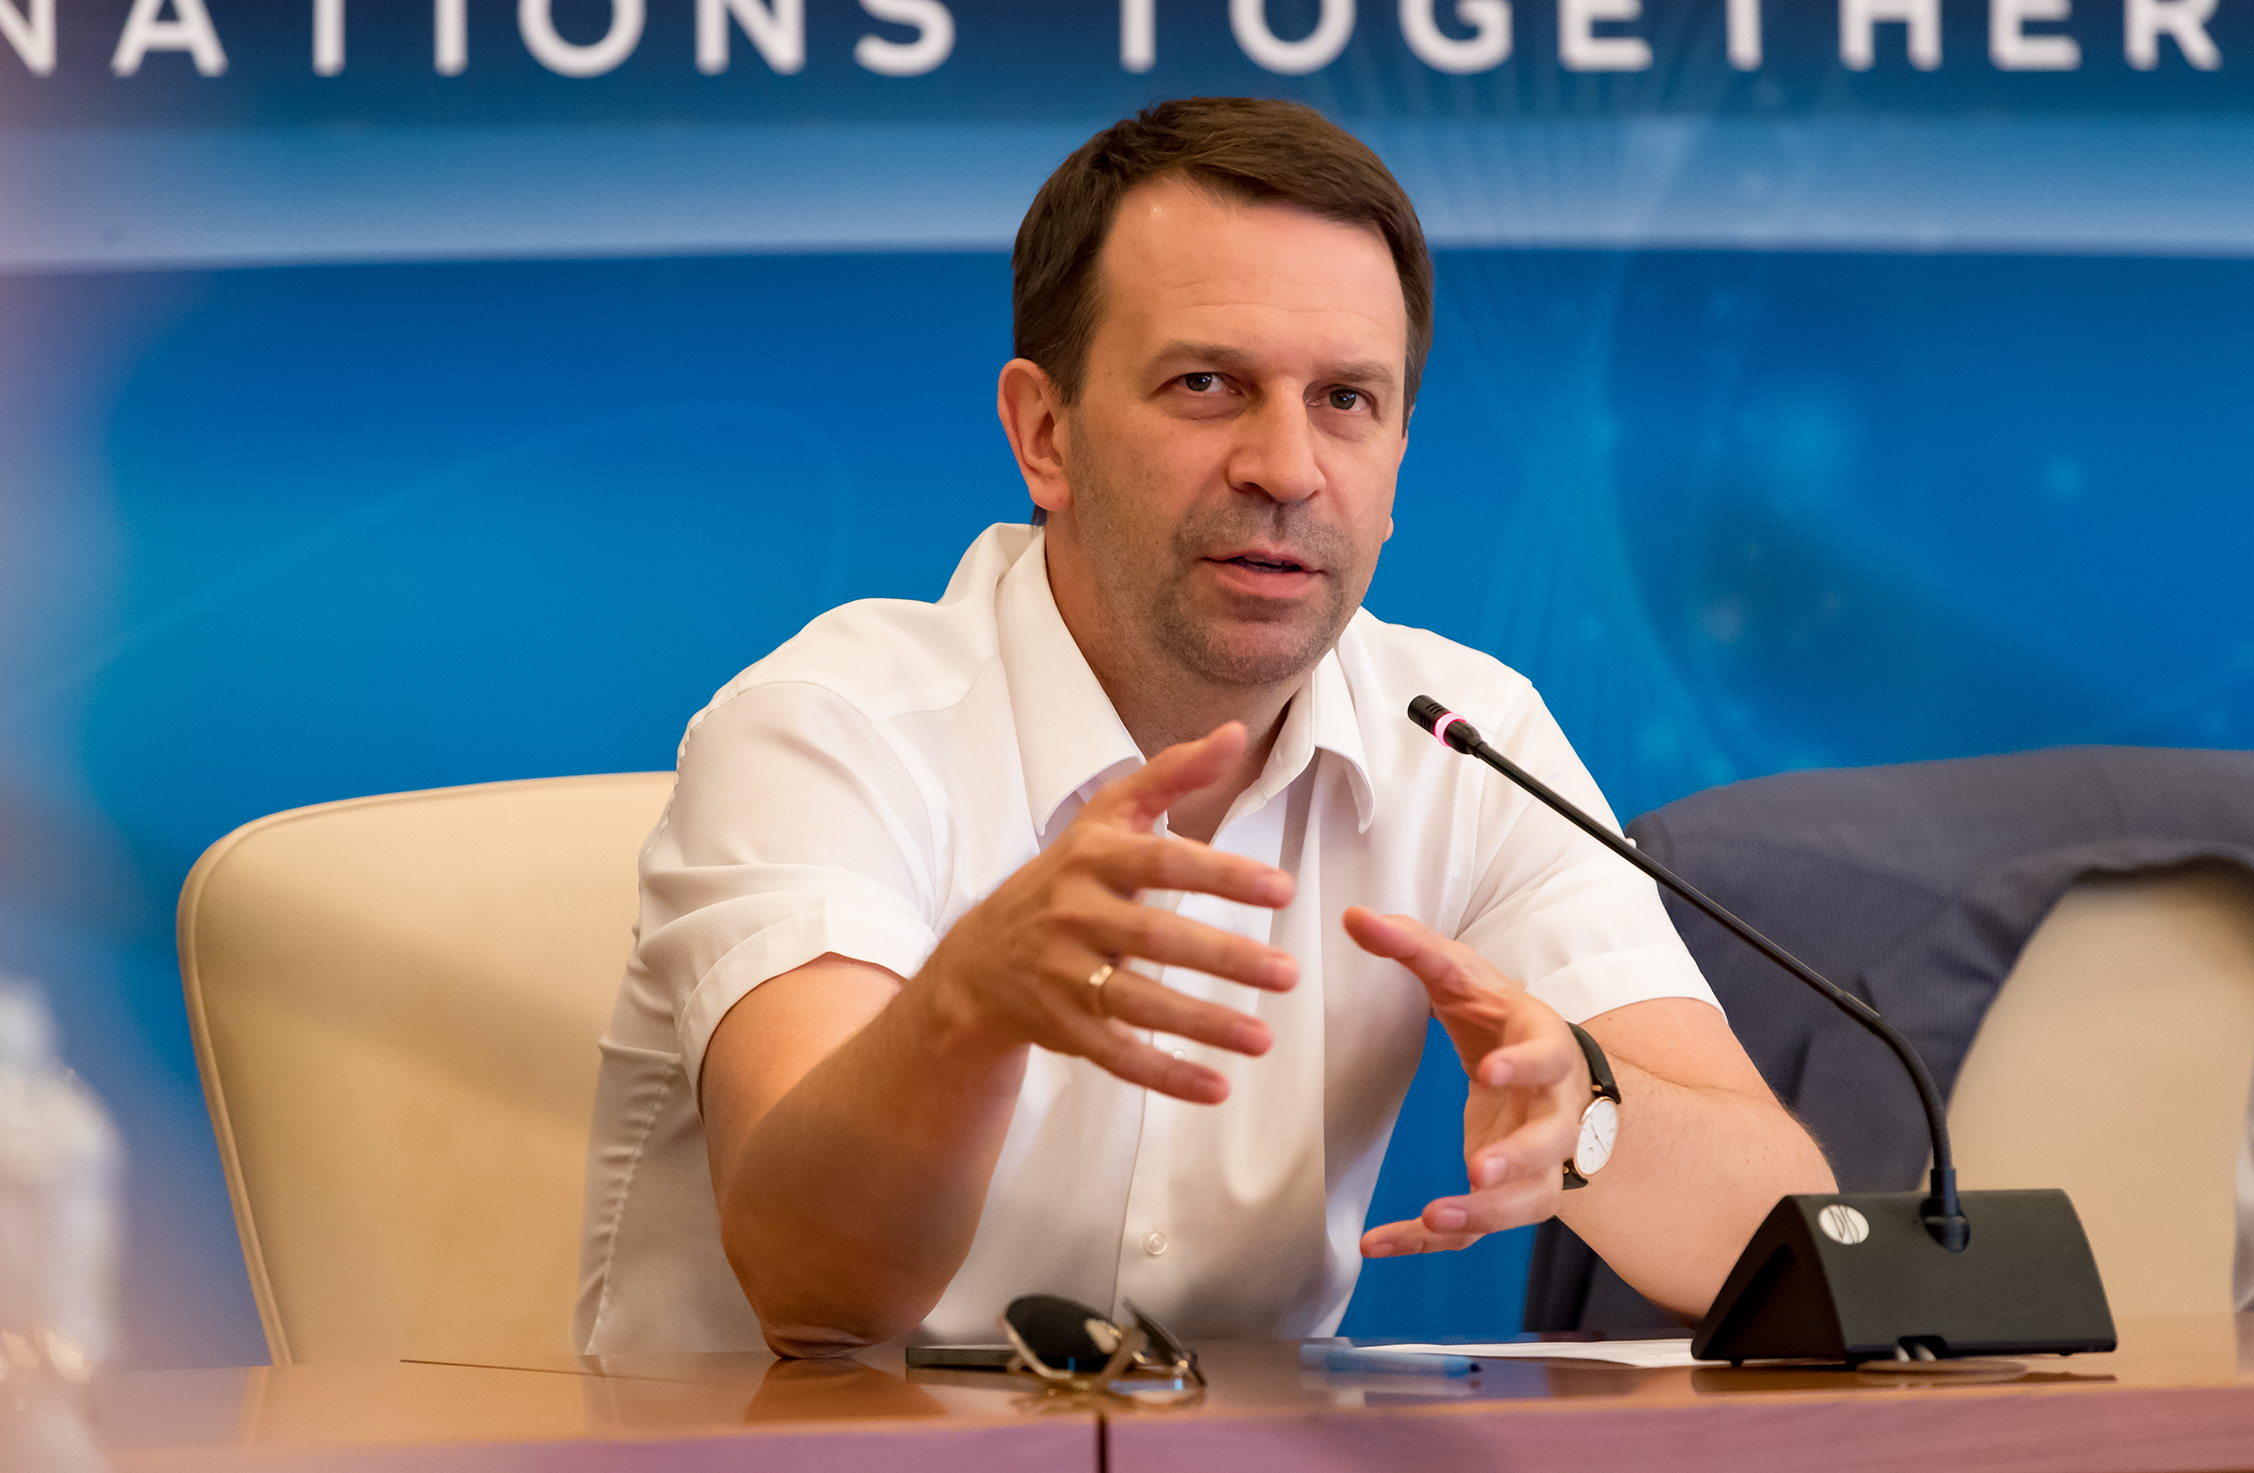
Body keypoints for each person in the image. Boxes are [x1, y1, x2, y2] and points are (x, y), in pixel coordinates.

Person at [574, 98, 1831, 1359]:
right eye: (1207, 385)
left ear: (1398, 452)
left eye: (1345, 399)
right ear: (1045, 435)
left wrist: (1592, 1114)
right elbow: (814, 1290)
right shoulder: (830, 730)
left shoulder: (1462, 736)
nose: (1286, 466)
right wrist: (965, 1009)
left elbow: (1786, 1245)